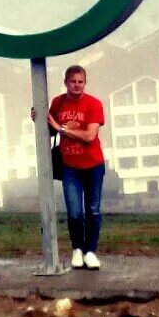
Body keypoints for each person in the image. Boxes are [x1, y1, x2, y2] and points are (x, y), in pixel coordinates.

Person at [47, 64, 106, 270]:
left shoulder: (93, 104)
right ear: (66, 83)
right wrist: (37, 117)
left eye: (81, 81)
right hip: (70, 166)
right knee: (74, 212)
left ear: (85, 83)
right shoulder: (58, 102)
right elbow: (49, 127)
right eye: (73, 81)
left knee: (93, 210)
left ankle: (91, 251)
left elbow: (90, 136)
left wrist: (61, 129)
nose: (77, 85)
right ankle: (77, 250)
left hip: (93, 165)